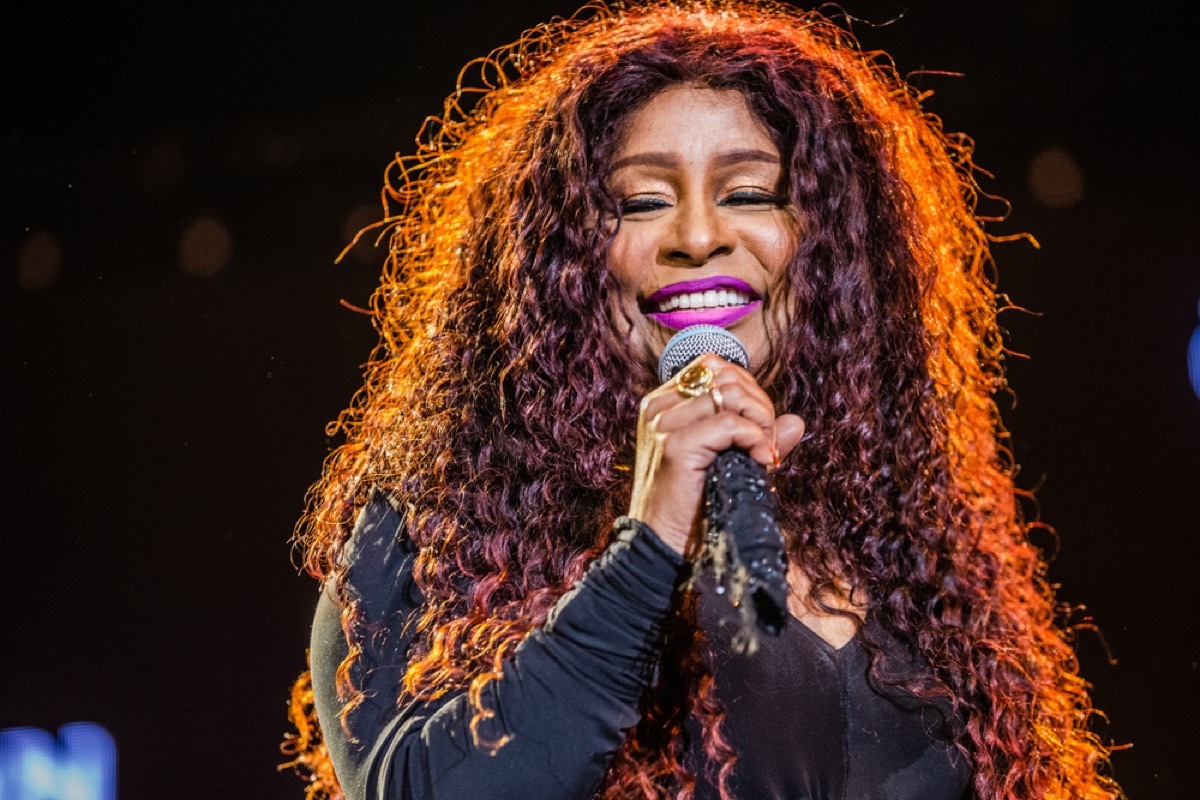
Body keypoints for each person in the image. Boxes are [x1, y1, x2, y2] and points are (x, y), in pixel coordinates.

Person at [281, 2, 1122, 798]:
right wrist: (648, 544)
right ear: (559, 260)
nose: (695, 235)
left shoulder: (913, 543)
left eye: (750, 194)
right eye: (642, 202)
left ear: (833, 247)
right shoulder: (436, 540)